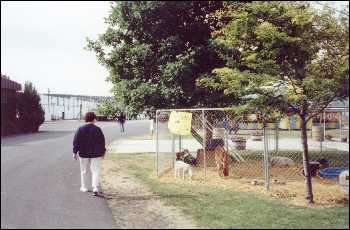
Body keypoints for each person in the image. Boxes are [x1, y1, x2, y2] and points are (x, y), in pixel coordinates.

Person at [73, 112, 106, 196]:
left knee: (83, 171)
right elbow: (102, 142)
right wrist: (103, 151)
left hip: (83, 153)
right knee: (95, 171)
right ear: (94, 119)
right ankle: (95, 187)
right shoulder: (97, 129)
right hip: (96, 153)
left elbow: (76, 141)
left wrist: (74, 152)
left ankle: (84, 187)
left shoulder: (80, 129)